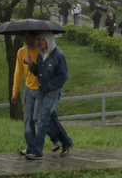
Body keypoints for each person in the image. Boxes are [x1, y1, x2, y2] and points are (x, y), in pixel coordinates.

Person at [25, 32, 73, 160]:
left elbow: (63, 76)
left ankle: (37, 151)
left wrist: (50, 85)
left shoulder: (58, 55)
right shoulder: (41, 56)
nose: (40, 42)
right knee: (51, 121)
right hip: (42, 92)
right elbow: (39, 73)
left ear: (49, 40)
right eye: (40, 39)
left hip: (53, 92)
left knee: (42, 120)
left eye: (43, 40)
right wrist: (31, 65)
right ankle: (66, 142)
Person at [11, 31, 58, 156]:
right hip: (28, 90)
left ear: (34, 37)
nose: (25, 39)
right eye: (24, 36)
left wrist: (33, 63)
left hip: (40, 90)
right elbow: (18, 73)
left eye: (28, 36)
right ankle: (31, 147)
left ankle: (55, 138)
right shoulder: (21, 52)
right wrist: (15, 92)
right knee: (28, 121)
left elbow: (47, 66)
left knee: (37, 119)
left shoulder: (41, 50)